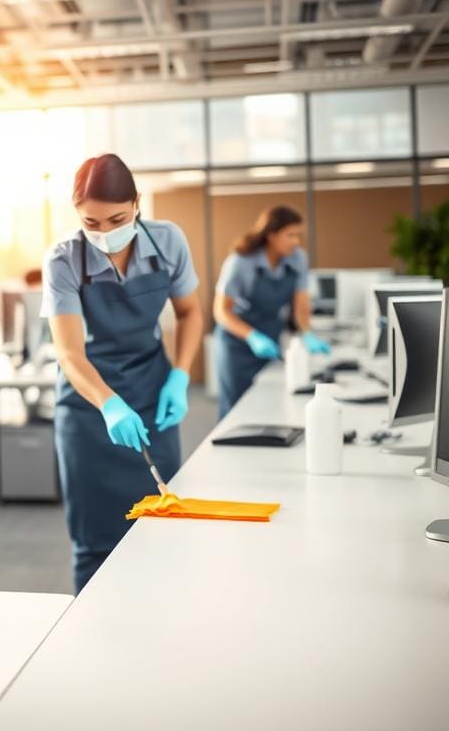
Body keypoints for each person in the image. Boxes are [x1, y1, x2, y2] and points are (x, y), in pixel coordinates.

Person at [42, 154, 204, 593]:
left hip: (154, 392)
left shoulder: (168, 241)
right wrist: (109, 403)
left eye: (117, 218)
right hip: (88, 405)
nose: (106, 233)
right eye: (91, 223)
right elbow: (70, 354)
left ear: (136, 203)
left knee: (163, 523)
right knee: (94, 541)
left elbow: (190, 314)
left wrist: (180, 377)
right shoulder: (63, 260)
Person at [213, 205, 331, 418]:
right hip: (237, 343)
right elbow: (221, 311)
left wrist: (308, 334)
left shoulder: (298, 259)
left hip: (270, 336)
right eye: (290, 235)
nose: (296, 242)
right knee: (236, 406)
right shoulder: (241, 261)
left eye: (299, 236)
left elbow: (301, 306)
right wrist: (252, 337)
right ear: (271, 235)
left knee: (268, 400)